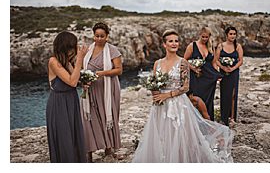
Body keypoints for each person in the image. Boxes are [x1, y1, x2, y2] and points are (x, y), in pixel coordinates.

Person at [132, 30, 233, 162]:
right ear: (164, 44)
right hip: (160, 105)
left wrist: (167, 95)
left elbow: (185, 87)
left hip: (177, 103)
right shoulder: (157, 63)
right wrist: (155, 93)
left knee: (179, 135)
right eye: (170, 41)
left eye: (176, 41)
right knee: (161, 135)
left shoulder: (183, 62)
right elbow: (154, 83)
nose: (174, 44)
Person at [81, 22, 123, 161]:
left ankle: (108, 149)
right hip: (90, 89)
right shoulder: (87, 50)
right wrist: (84, 80)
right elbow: (81, 68)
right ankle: (89, 151)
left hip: (108, 88)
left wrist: (103, 73)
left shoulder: (112, 50)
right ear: (93, 36)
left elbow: (119, 70)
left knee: (108, 116)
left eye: (102, 36)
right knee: (89, 119)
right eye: (96, 36)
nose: (99, 38)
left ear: (107, 36)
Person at [47, 32, 89, 162]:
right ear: (65, 47)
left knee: (74, 134)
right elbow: (72, 81)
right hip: (59, 103)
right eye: (73, 47)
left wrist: (84, 83)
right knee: (64, 136)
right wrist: (80, 59)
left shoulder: (67, 62)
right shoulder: (53, 61)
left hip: (71, 101)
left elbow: (75, 80)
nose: (75, 50)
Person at [182, 27, 222, 119]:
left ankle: (208, 121)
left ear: (209, 37)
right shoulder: (192, 46)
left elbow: (214, 62)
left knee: (208, 100)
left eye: (206, 37)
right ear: (199, 35)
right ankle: (195, 122)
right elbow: (184, 61)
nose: (204, 39)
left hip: (208, 79)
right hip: (196, 78)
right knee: (196, 99)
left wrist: (216, 74)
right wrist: (193, 68)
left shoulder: (211, 47)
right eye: (203, 37)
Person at [215, 26, 244, 126]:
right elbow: (216, 60)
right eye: (231, 34)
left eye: (234, 34)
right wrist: (223, 68)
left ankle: (232, 118)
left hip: (234, 73)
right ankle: (224, 117)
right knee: (224, 94)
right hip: (223, 73)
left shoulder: (238, 46)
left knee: (233, 95)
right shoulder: (220, 46)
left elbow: (241, 61)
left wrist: (233, 68)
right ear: (227, 35)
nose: (233, 36)